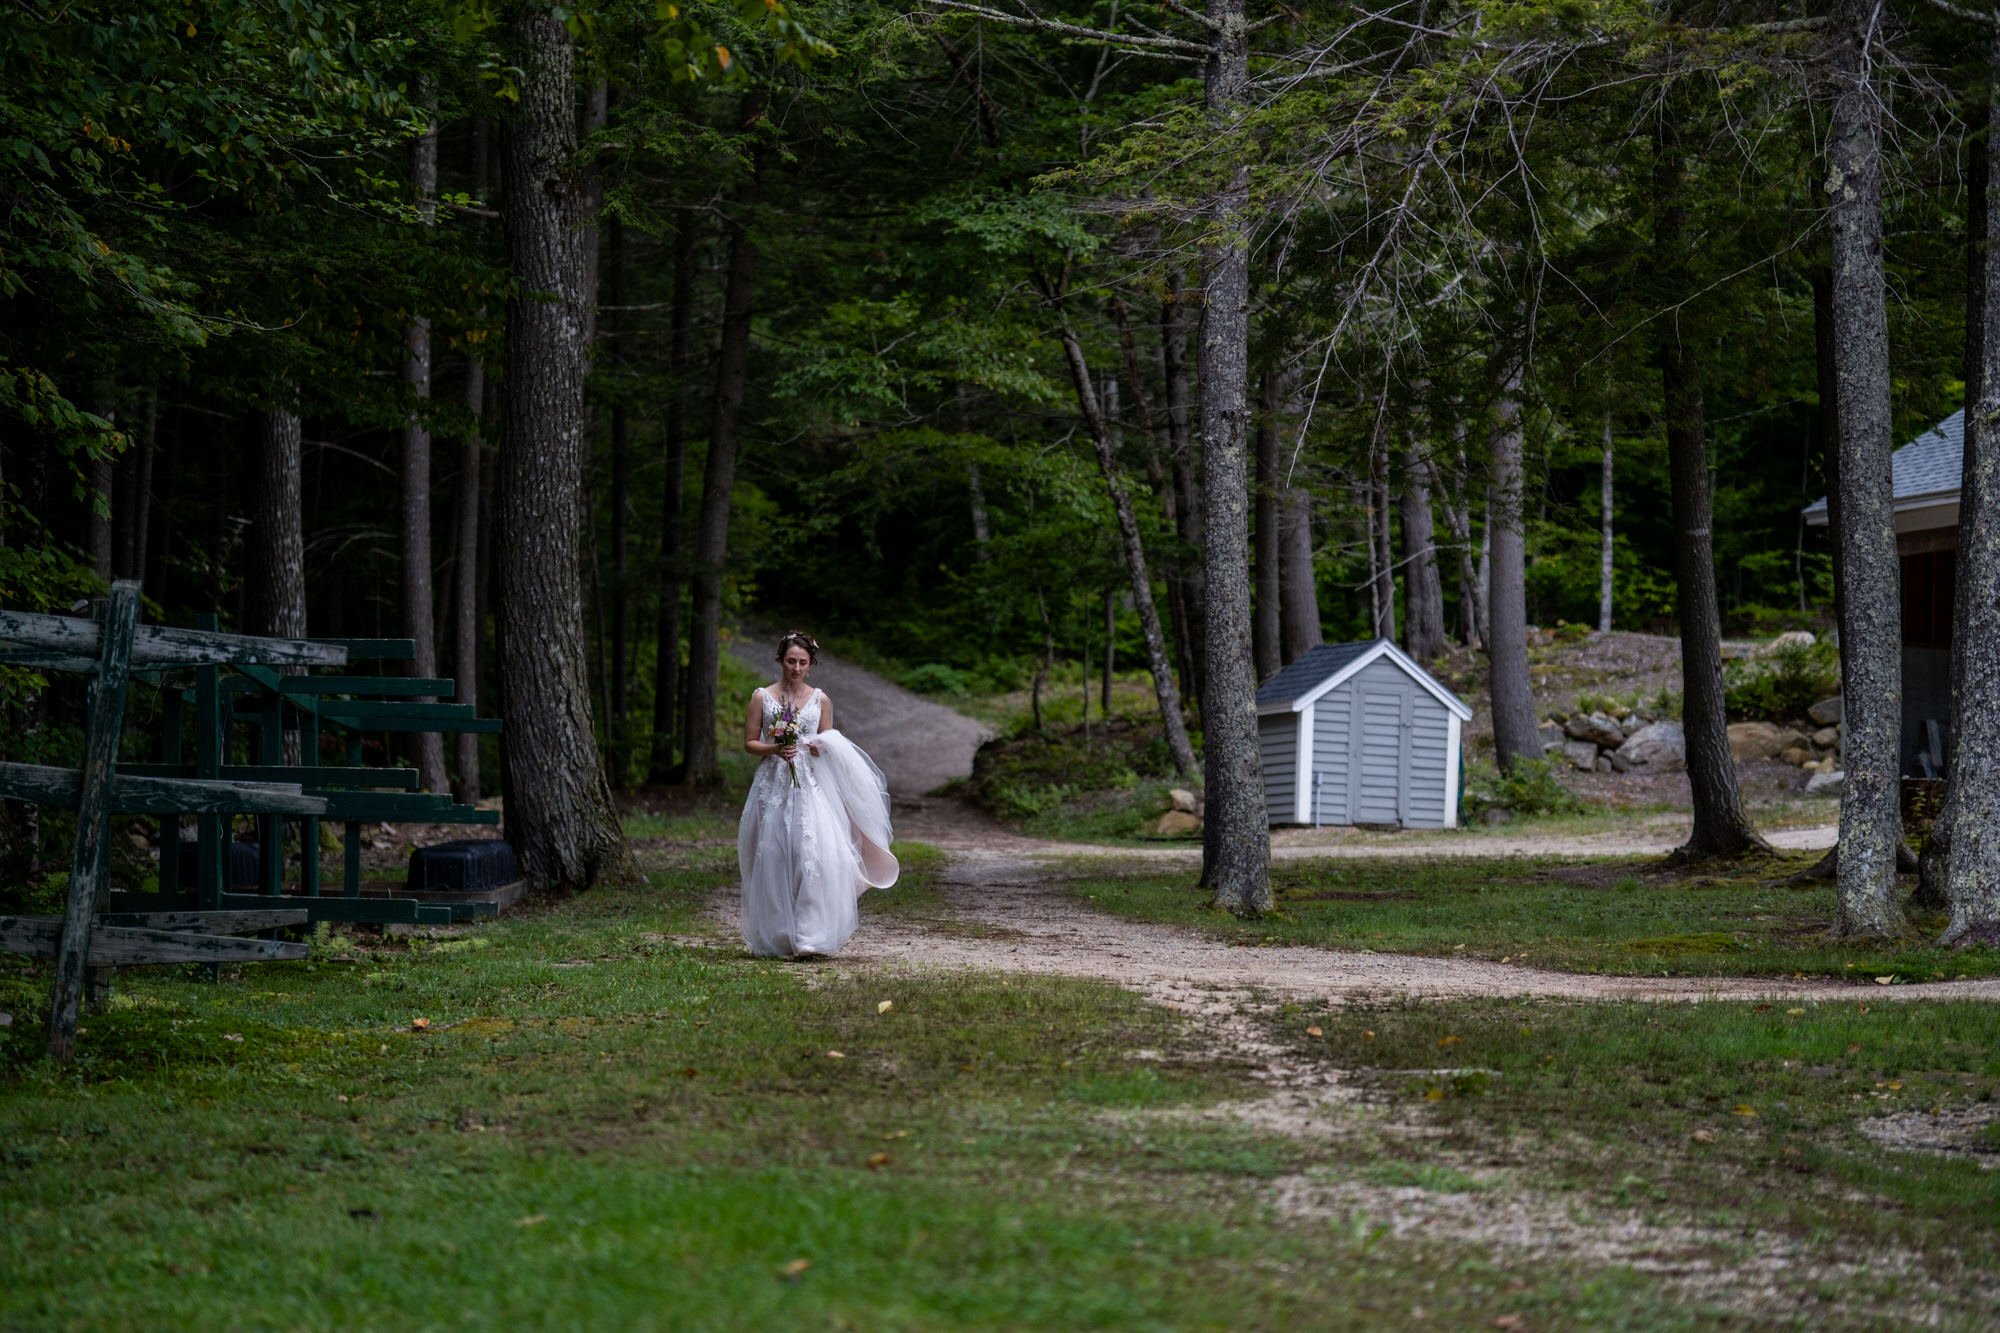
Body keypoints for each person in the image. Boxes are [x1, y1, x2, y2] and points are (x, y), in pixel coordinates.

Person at [738, 630, 899, 958]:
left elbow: (832, 742)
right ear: (780, 661)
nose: (795, 668)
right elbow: (749, 742)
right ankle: (781, 933)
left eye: (802, 662)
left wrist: (818, 747)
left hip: (810, 784)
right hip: (774, 782)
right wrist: (774, 748)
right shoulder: (762, 697)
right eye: (790, 661)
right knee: (775, 851)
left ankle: (811, 933)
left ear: (811, 665)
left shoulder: (820, 699)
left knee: (812, 852)